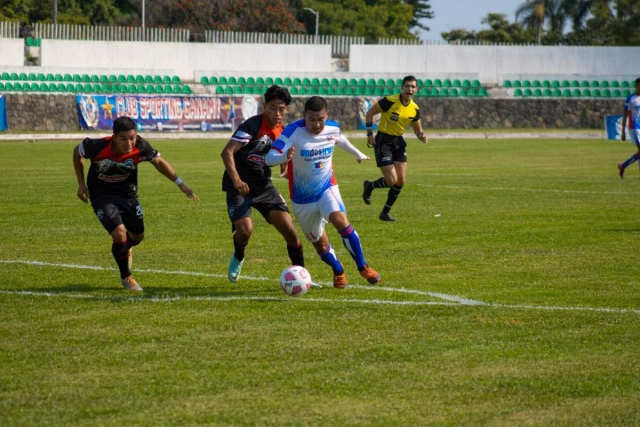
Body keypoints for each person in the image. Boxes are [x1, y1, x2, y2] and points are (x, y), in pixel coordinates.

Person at [265, 96, 381, 288]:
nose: (317, 124)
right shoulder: (293, 131)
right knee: (320, 244)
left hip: (327, 188)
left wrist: (357, 154)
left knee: (340, 220)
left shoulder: (332, 128)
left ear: (326, 115)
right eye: (311, 119)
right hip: (302, 199)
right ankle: (338, 270)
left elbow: (340, 139)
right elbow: (269, 158)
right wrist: (284, 156)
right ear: (304, 116)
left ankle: (363, 267)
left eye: (321, 119)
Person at [73, 116, 199, 291]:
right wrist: (81, 184)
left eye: (132, 137)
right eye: (123, 138)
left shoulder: (140, 146)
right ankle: (127, 277)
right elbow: (77, 153)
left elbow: (159, 162)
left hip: (127, 194)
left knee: (138, 237)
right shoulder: (96, 146)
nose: (129, 143)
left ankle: (127, 248)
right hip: (102, 195)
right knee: (119, 234)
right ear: (114, 137)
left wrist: (181, 184)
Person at [221, 85, 304, 283]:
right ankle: (239, 255)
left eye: (282, 109)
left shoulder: (283, 131)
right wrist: (237, 180)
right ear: (265, 105)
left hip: (263, 186)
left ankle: (301, 275)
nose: (277, 113)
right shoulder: (252, 126)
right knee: (245, 230)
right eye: (273, 108)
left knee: (291, 233)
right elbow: (227, 152)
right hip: (239, 186)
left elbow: (280, 154)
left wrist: (284, 165)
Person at [361, 75, 429, 221]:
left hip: (398, 142)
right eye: (407, 86)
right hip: (383, 141)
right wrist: (369, 133)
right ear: (402, 88)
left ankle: (385, 213)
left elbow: (418, 130)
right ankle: (369, 186)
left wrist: (421, 136)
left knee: (401, 180)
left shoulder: (414, 108)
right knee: (391, 180)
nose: (409, 89)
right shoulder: (390, 101)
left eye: (412, 87)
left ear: (416, 89)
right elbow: (370, 113)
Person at [617, 77, 640, 179]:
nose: (639, 87)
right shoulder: (631, 98)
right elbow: (625, 114)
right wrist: (623, 131)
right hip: (634, 127)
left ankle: (623, 166)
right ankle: (623, 166)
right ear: (635, 86)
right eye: (638, 85)